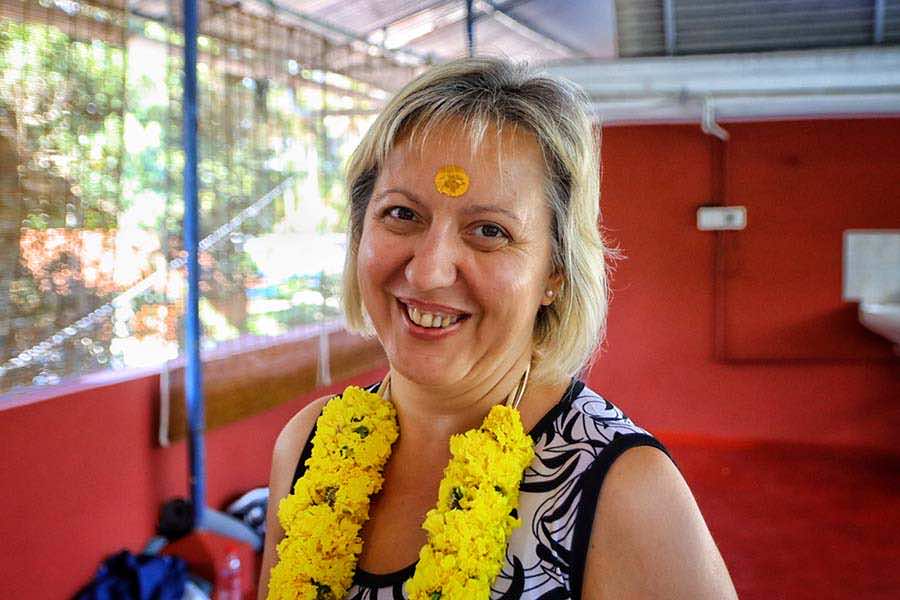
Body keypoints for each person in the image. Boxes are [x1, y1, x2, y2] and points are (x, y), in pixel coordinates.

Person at [259, 57, 737, 599]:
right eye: (402, 214)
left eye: (489, 231)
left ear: (555, 272)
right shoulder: (307, 446)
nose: (429, 271)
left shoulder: (622, 489)